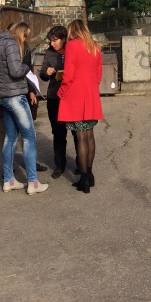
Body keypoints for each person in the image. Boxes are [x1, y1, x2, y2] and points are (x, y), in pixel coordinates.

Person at [0, 21, 49, 195]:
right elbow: (15, 71)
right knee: (30, 137)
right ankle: (33, 182)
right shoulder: (12, 44)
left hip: (3, 96)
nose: (25, 39)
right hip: (16, 95)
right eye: (25, 35)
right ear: (20, 32)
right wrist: (26, 67)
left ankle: (8, 180)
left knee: (10, 138)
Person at [57, 19, 103, 194]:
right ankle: (89, 175)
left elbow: (68, 74)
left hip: (75, 95)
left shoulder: (72, 45)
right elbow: (99, 74)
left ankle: (83, 178)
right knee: (89, 135)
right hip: (90, 94)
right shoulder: (95, 46)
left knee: (80, 137)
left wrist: (61, 92)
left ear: (72, 31)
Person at [39, 25, 79, 179]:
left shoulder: (72, 49)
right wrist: (46, 73)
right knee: (58, 133)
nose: (52, 44)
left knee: (76, 132)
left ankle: (80, 163)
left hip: (71, 97)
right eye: (50, 41)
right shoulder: (49, 53)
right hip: (54, 97)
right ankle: (59, 165)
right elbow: (42, 74)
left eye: (55, 40)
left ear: (64, 39)